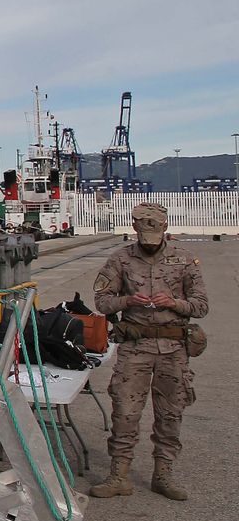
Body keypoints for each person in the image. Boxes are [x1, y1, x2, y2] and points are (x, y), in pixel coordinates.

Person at [89, 201, 208, 501]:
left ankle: (163, 475)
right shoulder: (121, 260)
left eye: (155, 239)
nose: (149, 245)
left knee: (170, 414)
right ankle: (119, 475)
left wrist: (174, 303)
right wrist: (128, 301)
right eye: (144, 238)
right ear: (135, 230)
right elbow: (102, 302)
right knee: (125, 413)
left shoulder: (185, 260)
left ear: (165, 229)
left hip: (173, 349)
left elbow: (201, 305)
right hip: (135, 347)